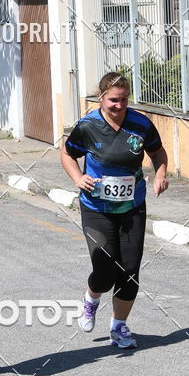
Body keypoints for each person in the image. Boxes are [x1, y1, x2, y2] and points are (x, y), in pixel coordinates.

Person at [61, 72, 169, 348]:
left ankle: (119, 326)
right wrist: (77, 178)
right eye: (113, 100)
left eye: (123, 100)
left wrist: (160, 173)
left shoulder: (141, 124)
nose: (119, 106)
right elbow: (67, 153)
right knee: (106, 267)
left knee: (130, 269)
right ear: (101, 98)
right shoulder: (87, 126)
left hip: (132, 206)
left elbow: (158, 152)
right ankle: (91, 299)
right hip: (96, 207)